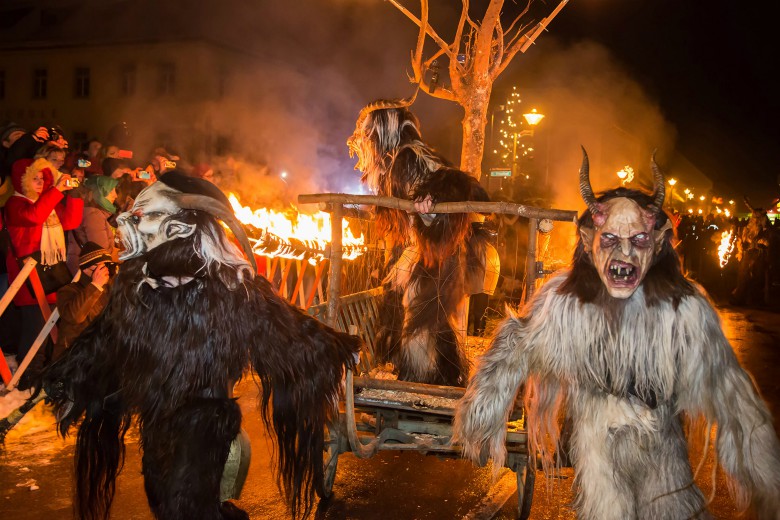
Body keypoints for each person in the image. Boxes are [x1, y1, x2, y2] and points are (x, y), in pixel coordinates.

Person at [454, 149, 780, 519]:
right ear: (589, 239)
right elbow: (516, 344)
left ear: (657, 243)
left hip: (663, 455)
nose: (624, 254)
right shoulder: (566, 303)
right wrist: (480, 416)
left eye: (638, 240)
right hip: (599, 454)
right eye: (610, 240)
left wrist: (767, 479)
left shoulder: (683, 309)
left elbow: (730, 390)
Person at [42, 171, 360, 520]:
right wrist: (67, 376)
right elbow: (104, 337)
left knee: (187, 504)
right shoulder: (135, 284)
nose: (127, 224)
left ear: (178, 228)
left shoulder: (230, 286)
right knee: (161, 496)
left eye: (144, 217)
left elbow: (287, 329)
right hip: (156, 416)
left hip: (203, 420)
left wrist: (337, 348)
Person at [347, 96, 495, 386]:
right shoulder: (402, 159)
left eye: (369, 133)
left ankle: (420, 386)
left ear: (383, 132)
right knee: (425, 320)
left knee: (421, 322)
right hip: (429, 253)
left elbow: (462, 185)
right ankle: (433, 380)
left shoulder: (407, 158)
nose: (364, 139)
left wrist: (433, 201)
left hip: (434, 255)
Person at [3, 157, 82, 386]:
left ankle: (44, 371)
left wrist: (74, 193)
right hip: (28, 276)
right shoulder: (16, 204)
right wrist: (55, 190)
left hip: (51, 273)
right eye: (33, 178)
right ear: (21, 181)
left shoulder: (47, 201)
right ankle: (28, 377)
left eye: (42, 178)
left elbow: (70, 222)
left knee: (50, 327)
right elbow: (34, 216)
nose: (39, 183)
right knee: (35, 327)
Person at [53, 242, 113, 362]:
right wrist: (95, 285)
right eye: (100, 267)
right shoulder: (68, 291)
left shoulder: (109, 289)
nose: (104, 270)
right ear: (86, 268)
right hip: (75, 358)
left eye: (106, 265)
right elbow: (75, 317)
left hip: (102, 354)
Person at [66, 176, 120, 275]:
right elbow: (102, 253)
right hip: (88, 272)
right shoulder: (93, 215)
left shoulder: (92, 213)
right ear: (99, 193)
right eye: (111, 191)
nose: (115, 195)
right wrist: (125, 255)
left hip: (88, 270)